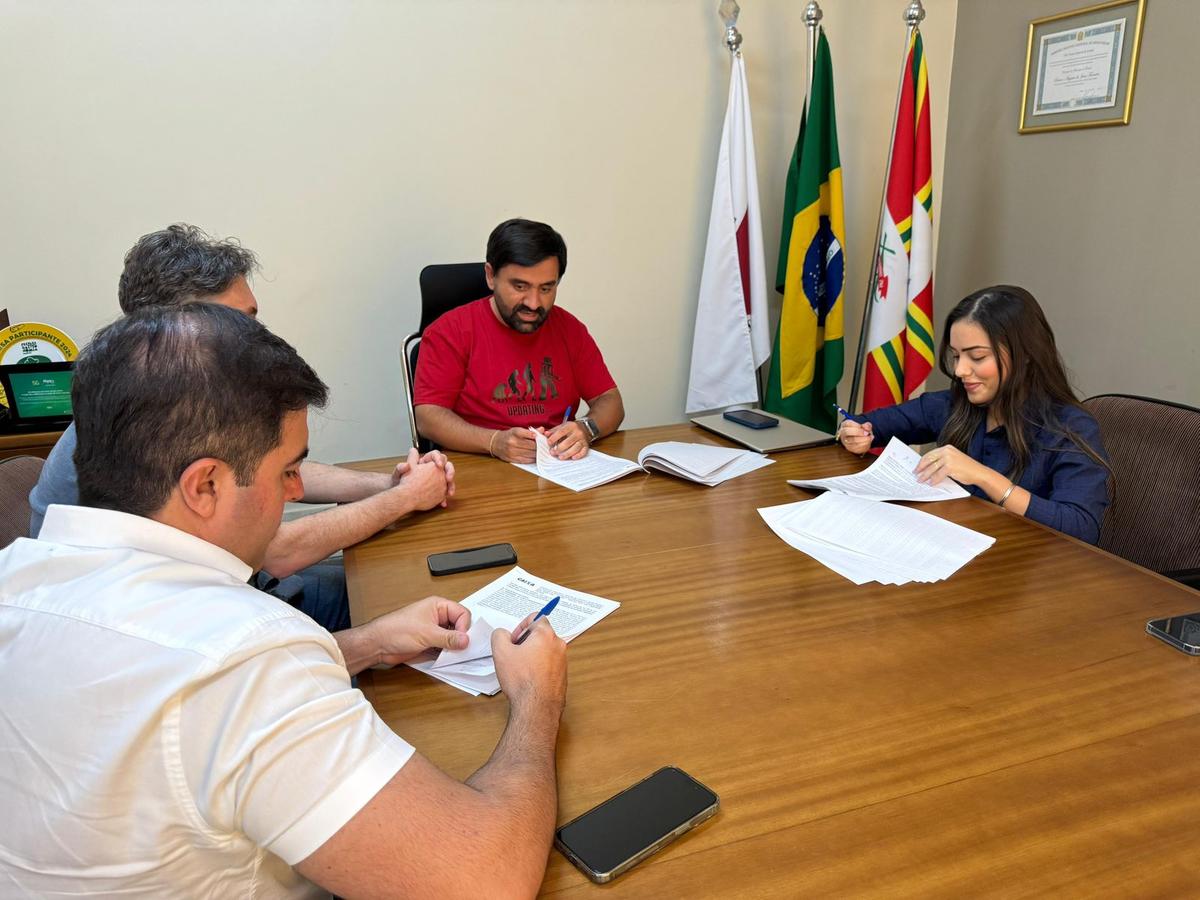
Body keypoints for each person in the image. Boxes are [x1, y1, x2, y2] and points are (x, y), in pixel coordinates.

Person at [0, 302, 568, 897]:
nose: (297, 490)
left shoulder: (17, 572)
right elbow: (486, 881)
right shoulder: (248, 659)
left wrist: (361, 645)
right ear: (205, 485)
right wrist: (536, 698)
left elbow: (171, 708)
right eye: (287, 471)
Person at [28, 224, 454, 632]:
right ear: (171, 333)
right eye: (236, 324)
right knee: (398, 598)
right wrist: (403, 499)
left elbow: (265, 472)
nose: (256, 339)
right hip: (204, 625)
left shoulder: (163, 403)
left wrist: (384, 485)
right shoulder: (138, 437)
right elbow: (274, 552)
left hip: (232, 599)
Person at [838, 285, 1111, 544]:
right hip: (948, 551)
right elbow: (875, 425)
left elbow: (1081, 527)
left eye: (977, 357)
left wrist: (984, 477)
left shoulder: (1071, 427)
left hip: (1025, 570)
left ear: (1025, 355)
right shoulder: (956, 404)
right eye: (957, 356)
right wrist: (859, 432)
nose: (960, 371)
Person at [413, 218, 625, 463]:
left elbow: (610, 401)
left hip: (558, 469)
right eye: (520, 286)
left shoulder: (570, 329)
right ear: (491, 276)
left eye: (546, 288)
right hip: (479, 465)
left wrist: (587, 428)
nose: (534, 303)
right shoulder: (449, 331)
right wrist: (494, 442)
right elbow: (427, 417)